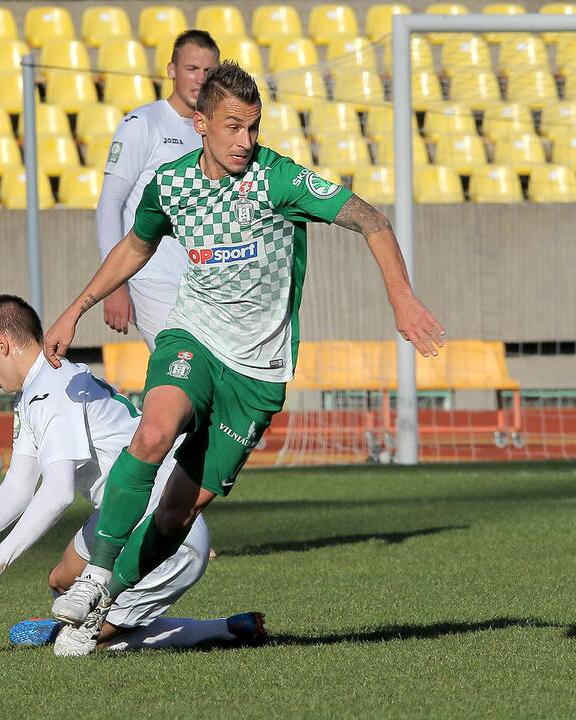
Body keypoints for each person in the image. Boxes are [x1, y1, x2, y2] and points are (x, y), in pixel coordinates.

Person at [42, 61, 445, 656]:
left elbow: (372, 220)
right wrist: (77, 306)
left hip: (257, 373)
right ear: (200, 124)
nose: (245, 141)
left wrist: (403, 299)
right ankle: (95, 575)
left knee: (180, 510)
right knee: (153, 431)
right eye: (233, 127)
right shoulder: (171, 185)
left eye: (253, 128)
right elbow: (135, 244)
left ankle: (109, 605)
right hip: (194, 340)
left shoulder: (277, 179)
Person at [0, 294, 264, 653]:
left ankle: (223, 629)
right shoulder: (37, 390)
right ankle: (101, 623)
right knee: (62, 582)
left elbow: (57, 494)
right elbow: (19, 484)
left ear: (2, 344)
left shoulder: (51, 392)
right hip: (120, 517)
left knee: (87, 639)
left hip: (165, 529)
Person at [97, 30, 219, 349]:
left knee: (210, 387)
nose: (200, 79)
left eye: (209, 72)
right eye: (192, 69)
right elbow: (110, 204)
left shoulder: (213, 130)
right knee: (180, 372)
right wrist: (114, 285)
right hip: (153, 279)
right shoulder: (143, 123)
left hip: (204, 283)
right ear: (172, 70)